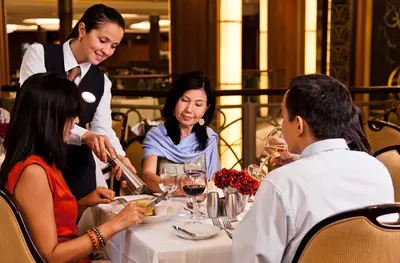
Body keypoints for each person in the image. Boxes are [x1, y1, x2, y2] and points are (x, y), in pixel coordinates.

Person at [232, 74, 394, 263]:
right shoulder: (377, 169)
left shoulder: (281, 183)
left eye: (283, 117)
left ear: (299, 124)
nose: (282, 125)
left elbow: (250, 259)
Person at [0, 73, 147, 263]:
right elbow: (51, 256)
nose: (77, 121)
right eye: (70, 115)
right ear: (47, 118)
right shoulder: (33, 172)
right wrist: (116, 224)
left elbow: (49, 223)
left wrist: (84, 202)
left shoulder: (42, 161)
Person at [18, 4, 135, 200]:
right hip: (35, 163)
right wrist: (85, 135)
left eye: (113, 46)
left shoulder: (102, 81)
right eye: (103, 40)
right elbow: (37, 111)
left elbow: (102, 129)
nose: (107, 51)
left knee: (79, 225)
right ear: (82, 30)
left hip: (78, 170)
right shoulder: (39, 55)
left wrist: (120, 158)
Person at [142, 71, 220, 193]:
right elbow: (147, 176)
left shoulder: (209, 138)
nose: (189, 109)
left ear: (206, 108)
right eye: (184, 100)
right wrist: (174, 183)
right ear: (174, 100)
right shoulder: (156, 135)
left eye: (198, 104)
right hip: (164, 205)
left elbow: (214, 181)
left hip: (197, 205)